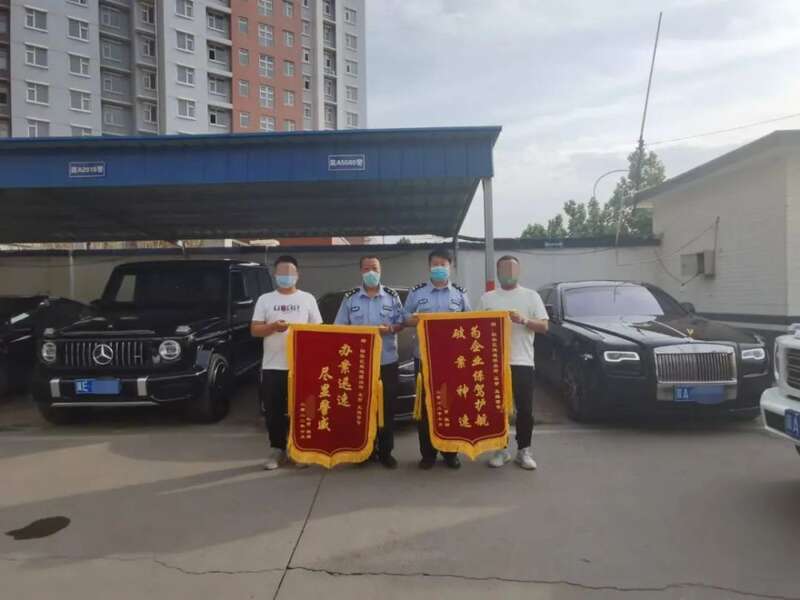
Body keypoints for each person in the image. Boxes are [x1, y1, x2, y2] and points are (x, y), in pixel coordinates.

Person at [251, 255, 323, 470]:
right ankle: (278, 449)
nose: (286, 276)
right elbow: (255, 330)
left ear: (298, 275)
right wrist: (273, 327)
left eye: (290, 273)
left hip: (301, 366)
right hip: (273, 366)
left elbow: (318, 330)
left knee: (302, 410)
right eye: (282, 273)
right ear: (275, 274)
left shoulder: (307, 299)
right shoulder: (265, 299)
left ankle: (298, 450)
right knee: (274, 411)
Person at [334, 256, 405, 469]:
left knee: (386, 408)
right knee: (361, 407)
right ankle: (364, 451)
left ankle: (386, 452)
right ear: (361, 271)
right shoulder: (350, 298)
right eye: (366, 268)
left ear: (380, 270)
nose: (370, 272)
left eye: (374, 268)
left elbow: (402, 322)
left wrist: (390, 329)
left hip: (387, 361)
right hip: (359, 363)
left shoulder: (391, 296)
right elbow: (339, 327)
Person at [478, 255, 549, 470]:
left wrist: (524, 320)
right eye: (504, 269)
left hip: (522, 361)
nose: (508, 273)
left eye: (512, 269)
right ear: (497, 272)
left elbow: (544, 326)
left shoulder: (531, 296)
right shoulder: (487, 298)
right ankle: (500, 450)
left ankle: (523, 450)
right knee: (497, 409)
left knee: (524, 409)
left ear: (519, 271)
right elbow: (476, 329)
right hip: (494, 363)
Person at [404, 248, 471, 470]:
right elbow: (404, 317)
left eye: (443, 264)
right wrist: (418, 319)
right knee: (426, 406)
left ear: (450, 267)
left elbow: (471, 322)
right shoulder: (417, 293)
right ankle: (428, 454)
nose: (439, 268)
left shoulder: (460, 294)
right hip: (423, 357)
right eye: (435, 264)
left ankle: (451, 453)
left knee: (451, 404)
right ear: (429, 266)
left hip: (452, 360)